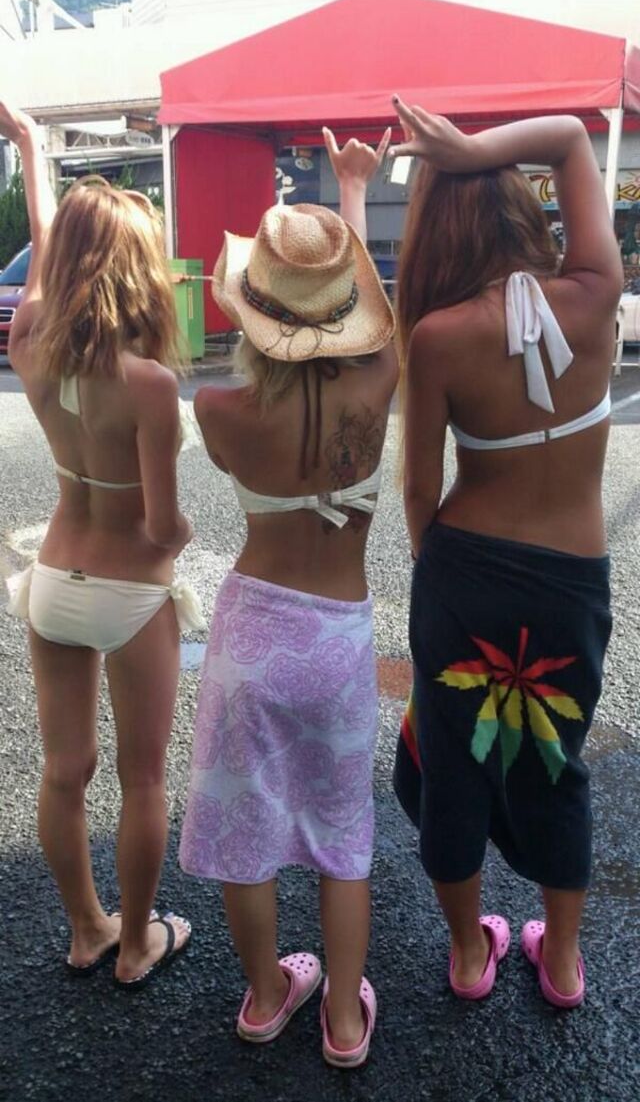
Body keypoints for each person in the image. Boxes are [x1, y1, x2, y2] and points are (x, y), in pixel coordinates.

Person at [389, 97, 621, 1009]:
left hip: (463, 577)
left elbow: (419, 488)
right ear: (525, 207)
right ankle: (560, 961)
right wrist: (476, 148)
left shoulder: (439, 336)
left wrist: (435, 579)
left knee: (454, 764)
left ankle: (467, 953)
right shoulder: (595, 292)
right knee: (555, 760)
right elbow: (568, 135)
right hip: (571, 581)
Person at [179, 127, 397, 1066]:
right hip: (339, 639)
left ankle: (267, 996)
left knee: (246, 828)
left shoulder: (219, 410)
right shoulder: (382, 380)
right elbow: (375, 324)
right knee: (344, 837)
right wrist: (354, 196)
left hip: (253, 635)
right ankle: (344, 1020)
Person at [2, 102, 204, 989]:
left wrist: (28, 147)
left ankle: (87, 927)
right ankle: (135, 946)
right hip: (130, 593)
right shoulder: (150, 385)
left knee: (63, 770)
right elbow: (162, 527)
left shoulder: (30, 346)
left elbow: (48, 255)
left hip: (53, 579)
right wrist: (189, 535)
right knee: (144, 779)